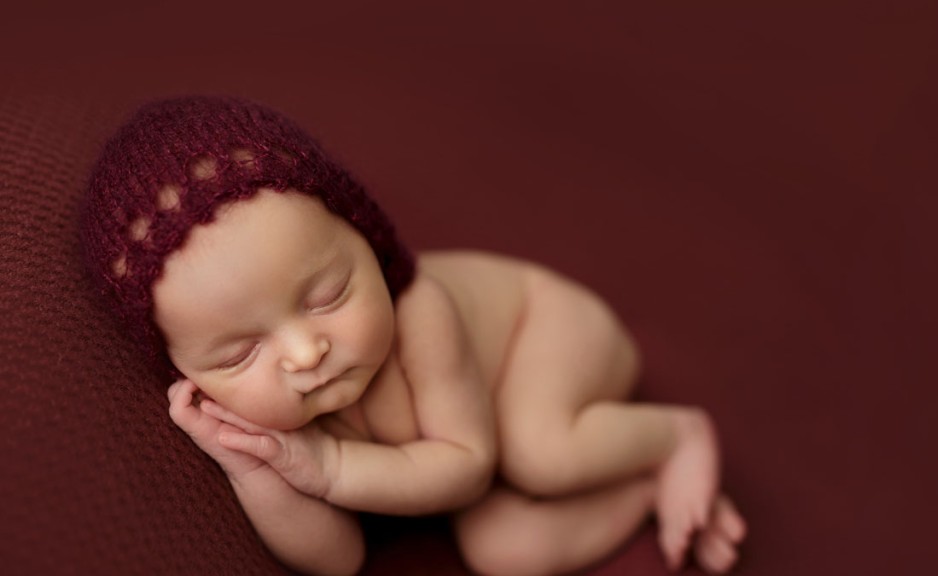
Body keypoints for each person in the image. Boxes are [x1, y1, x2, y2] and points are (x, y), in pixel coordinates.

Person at [81, 96, 746, 576]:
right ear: (188, 375)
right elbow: (337, 561)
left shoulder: (420, 310)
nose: (306, 353)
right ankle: (649, 489)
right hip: (468, 443)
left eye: (328, 295)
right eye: (239, 353)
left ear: (370, 242)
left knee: (539, 450)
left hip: (543, 331)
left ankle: (675, 434)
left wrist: (330, 469)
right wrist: (257, 466)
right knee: (503, 551)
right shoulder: (262, 412)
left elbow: (466, 467)